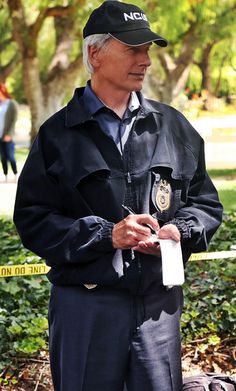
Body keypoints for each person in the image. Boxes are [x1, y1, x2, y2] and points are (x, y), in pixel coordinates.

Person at [13, 2, 223, 390]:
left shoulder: (173, 126)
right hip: (85, 309)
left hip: (159, 311)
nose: (145, 60)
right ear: (94, 54)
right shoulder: (58, 135)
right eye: (133, 49)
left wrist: (178, 230)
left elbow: (206, 203)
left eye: (148, 50)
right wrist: (107, 235)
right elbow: (32, 219)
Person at [0, 83, 18, 182]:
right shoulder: (0, 104)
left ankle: (15, 174)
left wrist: (9, 134)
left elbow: (14, 119)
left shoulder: (11, 103)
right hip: (0, 135)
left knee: (10, 156)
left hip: (8, 136)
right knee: (3, 157)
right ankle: (5, 175)